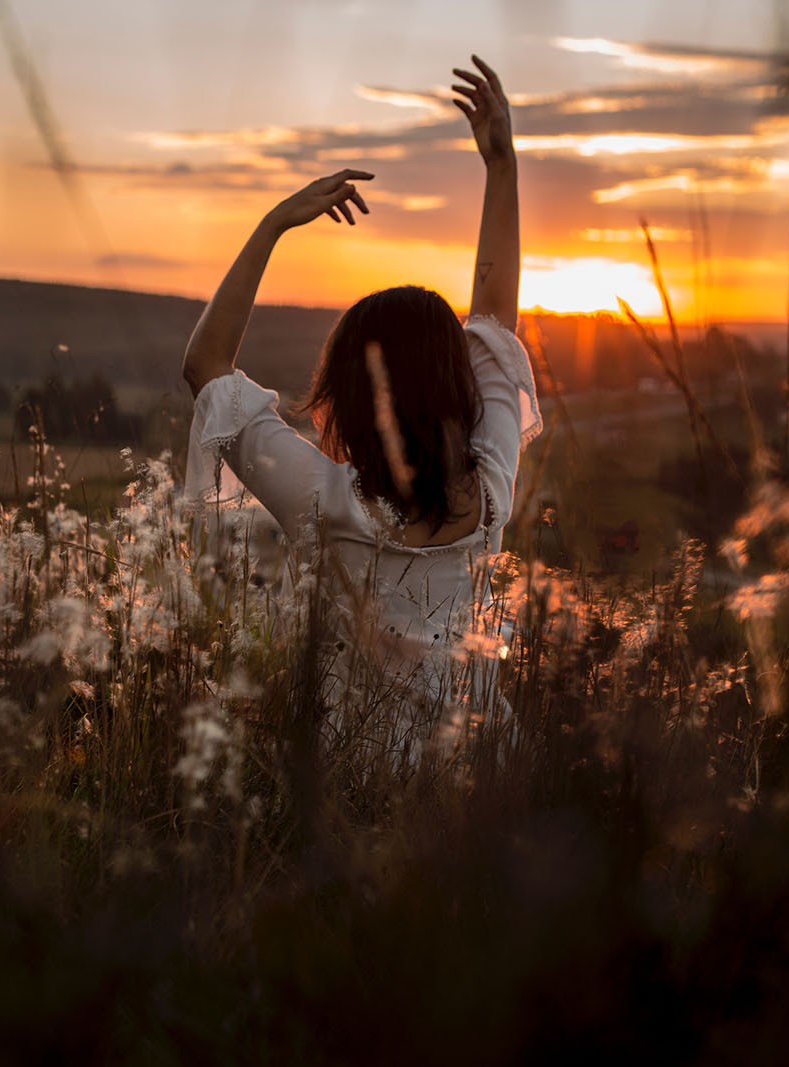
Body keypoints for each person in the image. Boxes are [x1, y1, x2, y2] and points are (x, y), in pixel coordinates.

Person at [180, 55, 539, 733]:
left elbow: (206, 367)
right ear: (455, 390)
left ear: (353, 397)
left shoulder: (327, 502)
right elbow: (493, 321)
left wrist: (275, 223)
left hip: (355, 807)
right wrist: (501, 168)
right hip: (477, 791)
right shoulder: (492, 488)